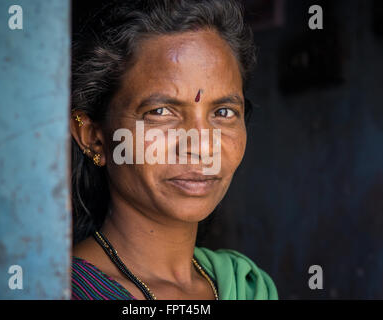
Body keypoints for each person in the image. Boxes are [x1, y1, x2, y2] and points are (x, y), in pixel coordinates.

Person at [69, 0, 278, 300]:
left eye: (223, 112)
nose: (202, 146)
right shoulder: (60, 290)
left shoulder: (246, 286)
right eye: (161, 111)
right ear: (93, 137)